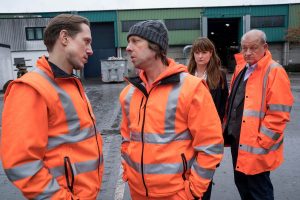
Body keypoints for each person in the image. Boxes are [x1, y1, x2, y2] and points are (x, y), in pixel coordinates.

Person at [1, 14, 104, 199]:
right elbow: (21, 164)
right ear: (64, 38)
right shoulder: (31, 88)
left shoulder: (72, 84)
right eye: (86, 41)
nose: (90, 50)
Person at [119, 20, 224, 200]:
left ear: (156, 47)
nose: (128, 48)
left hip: (177, 195)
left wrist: (192, 192)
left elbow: (211, 147)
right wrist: (129, 174)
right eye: (129, 42)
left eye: (135, 41)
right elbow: (126, 139)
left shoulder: (192, 88)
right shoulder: (129, 93)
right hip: (138, 193)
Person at [223, 29, 293, 200]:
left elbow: (279, 113)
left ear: (265, 47)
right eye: (244, 48)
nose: (247, 53)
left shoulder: (274, 71)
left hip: (256, 146)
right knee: (243, 186)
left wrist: (264, 142)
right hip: (237, 141)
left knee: (259, 191)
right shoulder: (241, 68)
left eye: (253, 48)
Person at [187, 37, 229, 200]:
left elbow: (222, 107)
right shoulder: (186, 74)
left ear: (211, 53)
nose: (200, 56)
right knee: (186, 171)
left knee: (204, 173)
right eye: (197, 52)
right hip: (187, 133)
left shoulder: (219, 76)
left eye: (204, 52)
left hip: (208, 133)